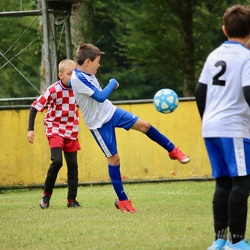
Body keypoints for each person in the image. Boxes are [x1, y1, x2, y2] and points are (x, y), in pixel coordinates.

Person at [69, 43, 190, 213]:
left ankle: (173, 149)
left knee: (145, 125)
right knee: (115, 160)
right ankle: (123, 200)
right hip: (98, 124)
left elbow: (102, 101)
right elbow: (101, 96)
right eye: (97, 61)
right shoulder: (78, 79)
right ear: (87, 62)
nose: (99, 65)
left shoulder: (87, 71)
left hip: (111, 112)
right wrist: (112, 82)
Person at [195, 5, 250, 250]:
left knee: (224, 182)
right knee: (242, 183)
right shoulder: (246, 57)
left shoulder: (214, 55)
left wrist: (207, 119)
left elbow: (200, 91)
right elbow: (249, 92)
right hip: (234, 127)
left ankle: (219, 240)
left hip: (212, 126)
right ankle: (237, 242)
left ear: (224, 29)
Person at [27, 59, 81, 209]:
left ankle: (71, 201)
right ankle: (46, 195)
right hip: (54, 128)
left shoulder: (78, 89)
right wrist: (30, 129)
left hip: (71, 129)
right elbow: (34, 107)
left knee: (73, 165)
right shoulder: (53, 90)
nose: (73, 77)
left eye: (75, 73)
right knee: (57, 161)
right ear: (60, 75)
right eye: (69, 74)